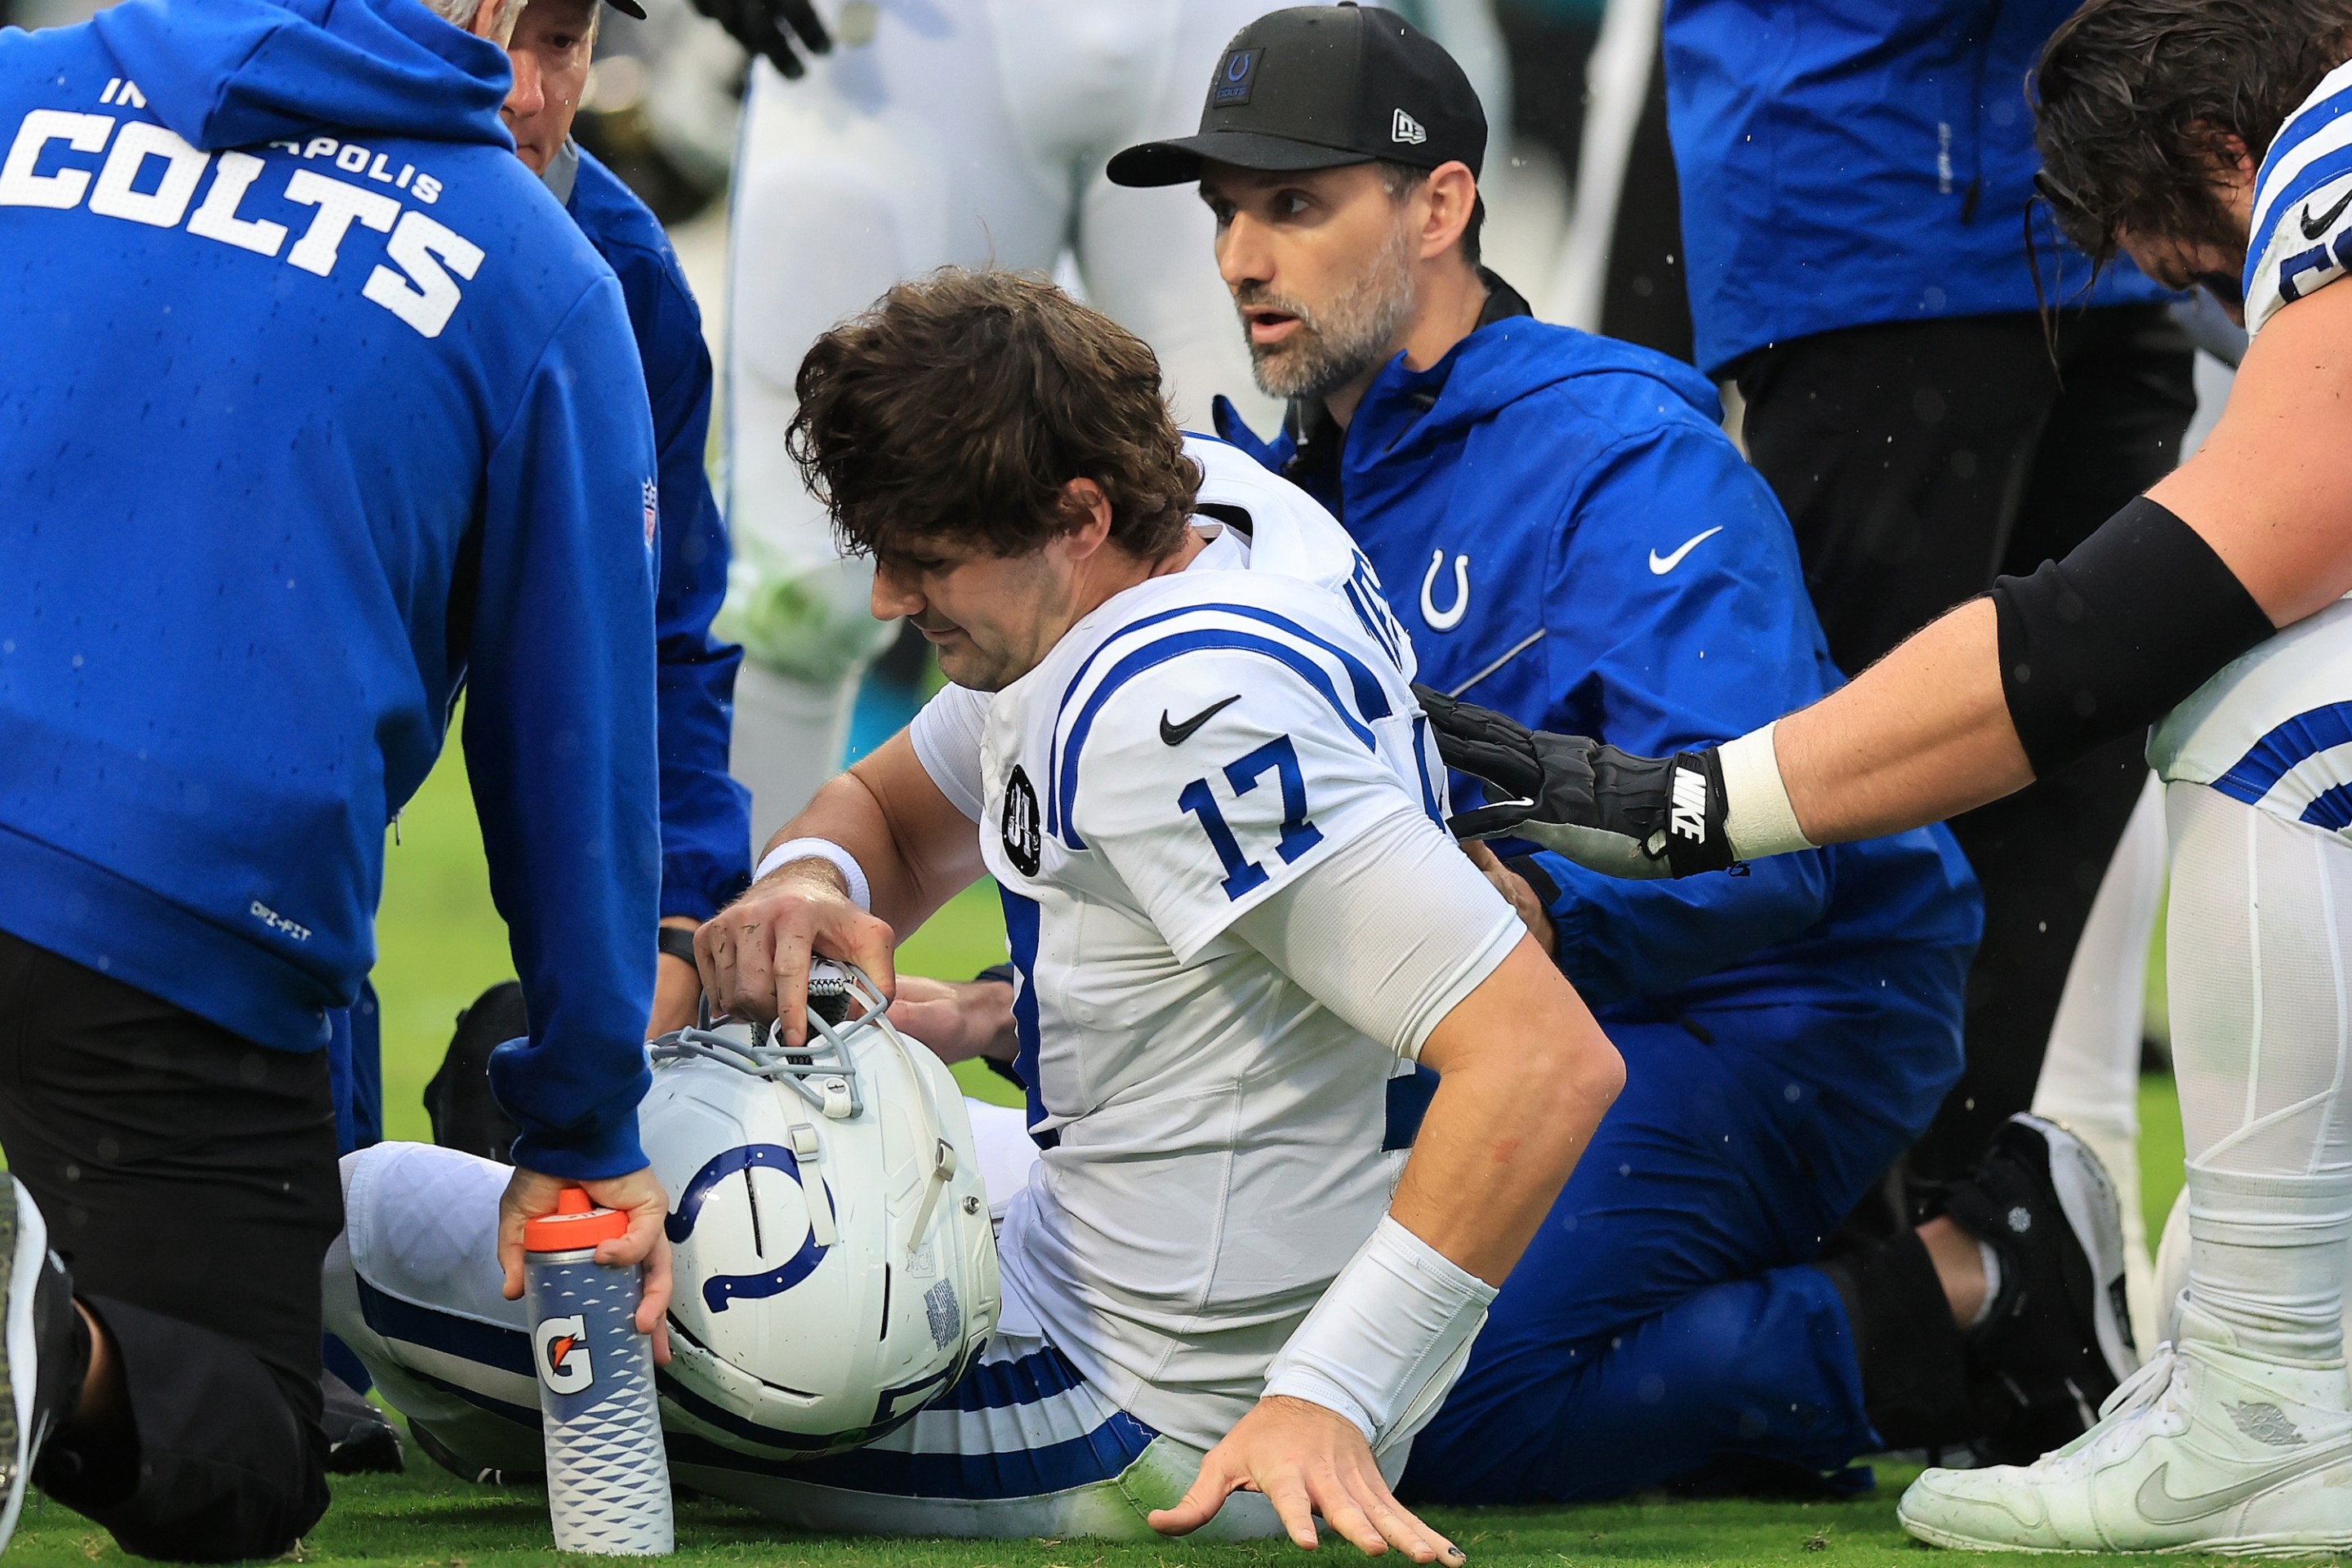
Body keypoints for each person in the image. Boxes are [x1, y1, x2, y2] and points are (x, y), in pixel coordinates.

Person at [1106, 4, 2129, 1498]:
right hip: (1522, 1007)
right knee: (1232, 1348)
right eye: (1227, 214)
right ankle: (1714, 1342)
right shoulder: (1269, 493)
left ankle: (1987, 1281)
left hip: (1783, 994)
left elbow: (1771, 870)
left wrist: (1534, 918)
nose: (1241, 261)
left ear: (1441, 203)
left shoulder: (1619, 448)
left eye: (1296, 204)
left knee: (1423, 1408)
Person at [1420, 0, 2352, 1549]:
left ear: (2217, 152)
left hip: (1867, 206)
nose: (2222, 313)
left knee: (2252, 710)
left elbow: (2129, 616)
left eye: (2197, 264)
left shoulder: (2322, 156)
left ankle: (2263, 1406)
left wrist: (1700, 801)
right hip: (1860, 196)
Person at [688, 267, 1625, 1552]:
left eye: (928, 561)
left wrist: (1326, 1399)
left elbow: (1542, 1061)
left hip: (1157, 1403)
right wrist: (809, 886)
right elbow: (902, 817)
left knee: (390, 1233)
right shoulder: (1191, 515)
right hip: (1128, 1249)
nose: (889, 604)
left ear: (1076, 513)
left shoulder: (1177, 706)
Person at [0, 0, 675, 1553]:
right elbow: (571, 765)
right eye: (549, 28)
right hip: (165, 923)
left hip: (154, 902)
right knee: (247, 1451)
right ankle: (39, 1338)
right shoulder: (545, 278)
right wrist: (581, 1126)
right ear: (493, 21)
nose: (540, 86)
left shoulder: (20, 85)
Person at [714, 0, 1514, 845]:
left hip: (1205, 28)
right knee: (794, 595)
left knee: (1242, 542)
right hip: (909, 40)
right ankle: (735, 946)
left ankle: (1334, 935)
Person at [1659, 0, 2196, 1194]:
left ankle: (1973, 1268)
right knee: (1847, 794)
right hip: (1875, 210)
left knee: (2092, 762)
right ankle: (1830, 1280)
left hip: (2109, 215)